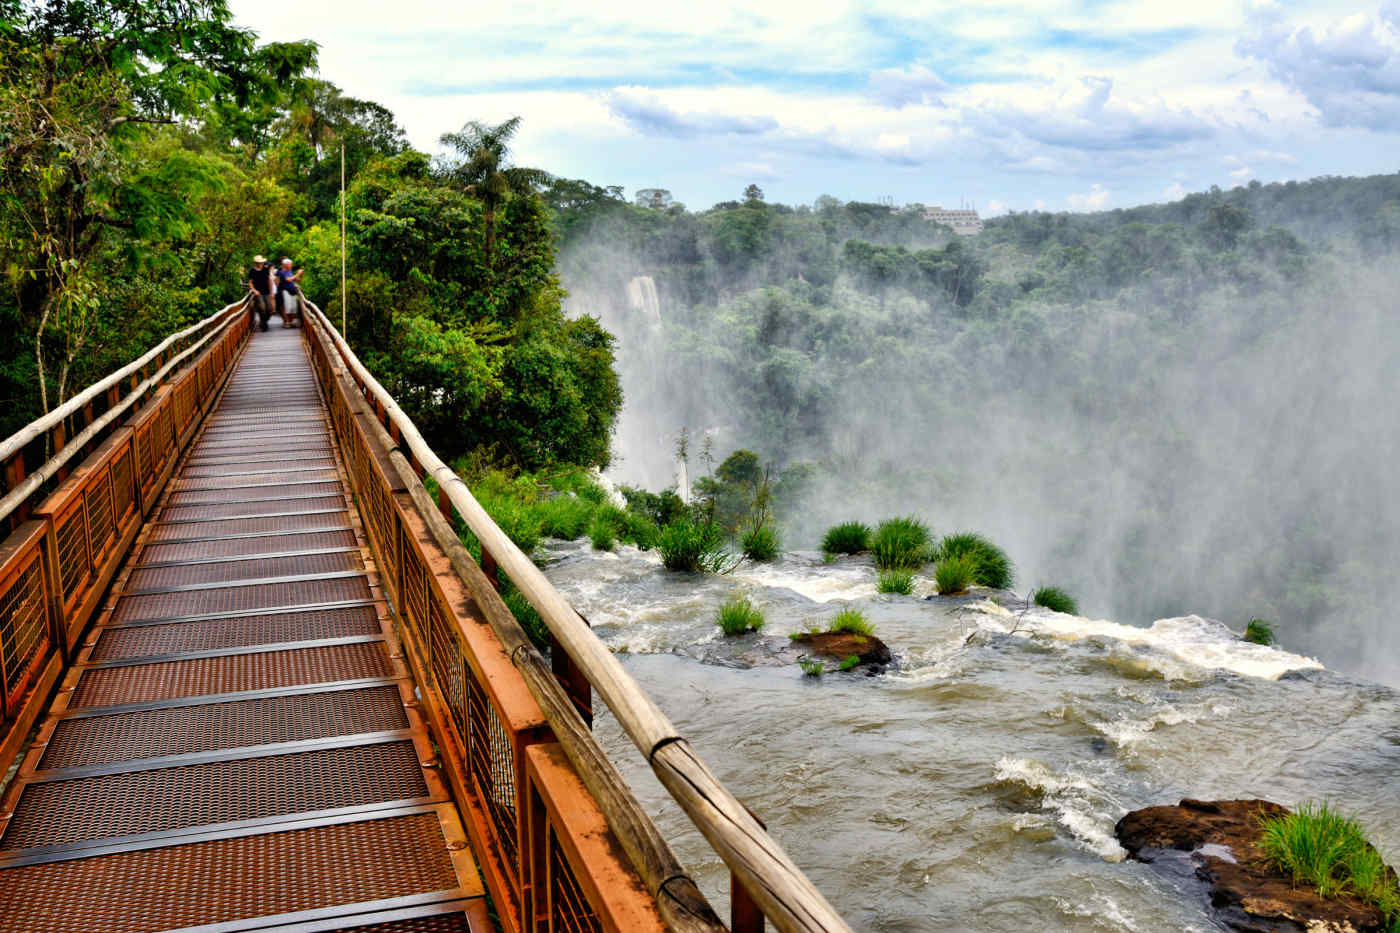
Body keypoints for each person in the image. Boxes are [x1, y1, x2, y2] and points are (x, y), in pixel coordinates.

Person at [247, 255, 274, 331]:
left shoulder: (266, 270)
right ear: (256, 263)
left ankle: (263, 321)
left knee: (269, 309)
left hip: (267, 291)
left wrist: (271, 292)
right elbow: (250, 282)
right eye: (258, 263)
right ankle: (264, 325)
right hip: (258, 292)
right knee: (262, 308)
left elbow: (269, 280)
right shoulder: (252, 271)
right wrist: (254, 290)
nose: (260, 264)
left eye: (261, 262)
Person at [276, 257, 304, 328]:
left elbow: (295, 280)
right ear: (285, 265)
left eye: (291, 264)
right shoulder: (282, 272)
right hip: (285, 291)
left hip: (293, 291)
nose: (291, 265)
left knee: (293, 307)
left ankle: (291, 322)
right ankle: (287, 322)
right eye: (290, 264)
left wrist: (300, 275)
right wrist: (297, 274)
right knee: (288, 307)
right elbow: (288, 279)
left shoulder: (290, 271)